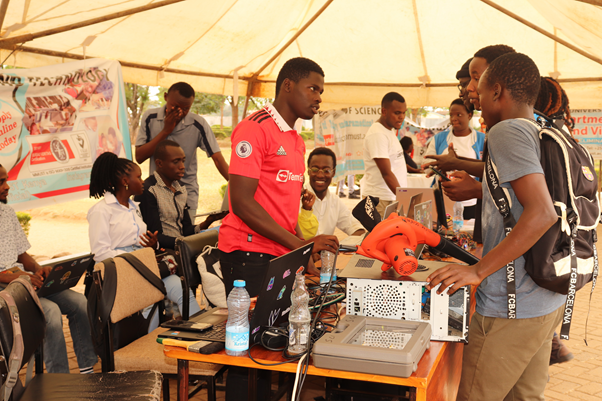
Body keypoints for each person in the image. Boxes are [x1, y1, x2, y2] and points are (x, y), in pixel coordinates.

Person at [427, 52, 566, 401]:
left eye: (480, 85)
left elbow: (541, 212)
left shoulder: (506, 131)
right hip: (544, 298)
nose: (473, 93)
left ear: (498, 91)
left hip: (510, 304)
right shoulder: (541, 126)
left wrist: (478, 271)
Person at [218, 56, 339, 401]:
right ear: (287, 85)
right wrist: (301, 246)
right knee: (248, 352)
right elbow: (241, 201)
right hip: (247, 254)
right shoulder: (254, 128)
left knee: (272, 346)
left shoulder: (296, 140)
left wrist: (300, 247)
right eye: (312, 88)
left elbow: (278, 206)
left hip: (277, 253)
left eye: (321, 91)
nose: (318, 97)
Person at [0, 164, 97, 374]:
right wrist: (19, 279)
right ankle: (58, 379)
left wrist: (38, 268)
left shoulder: (7, 212)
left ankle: (87, 368)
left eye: (6, 180)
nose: (7, 186)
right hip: (5, 290)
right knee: (50, 313)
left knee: (80, 303)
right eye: (1, 182)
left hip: (24, 282)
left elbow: (21, 254)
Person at [87, 152, 201, 330]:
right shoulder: (101, 211)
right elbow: (100, 253)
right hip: (121, 272)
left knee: (180, 288)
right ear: (125, 181)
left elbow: (141, 242)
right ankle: (147, 342)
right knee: (150, 298)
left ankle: (202, 328)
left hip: (144, 266)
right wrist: (136, 258)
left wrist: (152, 244)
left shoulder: (133, 208)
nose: (142, 181)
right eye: (138, 177)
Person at [135, 82, 229, 219]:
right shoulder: (150, 118)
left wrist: (236, 185)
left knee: (186, 236)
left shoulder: (198, 124)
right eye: (175, 106)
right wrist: (166, 130)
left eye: (186, 108)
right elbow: (139, 156)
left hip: (186, 193)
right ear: (166, 97)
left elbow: (218, 159)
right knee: (159, 235)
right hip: (157, 192)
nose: (180, 111)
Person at [136, 140, 223, 250]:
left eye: (183, 161)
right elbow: (155, 236)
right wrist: (187, 243)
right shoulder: (149, 190)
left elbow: (186, 229)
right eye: (176, 161)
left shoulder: (180, 188)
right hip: (166, 251)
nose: (182, 166)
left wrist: (208, 222)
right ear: (159, 163)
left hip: (182, 247)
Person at [424, 98, 485, 219]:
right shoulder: (439, 139)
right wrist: (440, 168)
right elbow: (427, 165)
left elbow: (487, 168)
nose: (454, 119)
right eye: (451, 115)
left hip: (472, 200)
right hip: (444, 199)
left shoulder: (481, 139)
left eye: (459, 114)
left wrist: (456, 163)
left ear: (469, 115)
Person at [298, 147, 365, 239]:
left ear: (333, 173)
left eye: (326, 171)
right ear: (308, 171)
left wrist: (341, 246)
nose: (320, 175)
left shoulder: (335, 201)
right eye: (315, 169)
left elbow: (357, 230)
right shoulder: (297, 198)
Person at [360, 92, 408, 218]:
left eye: (404, 112)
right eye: (397, 113)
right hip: (380, 200)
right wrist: (404, 198)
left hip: (389, 198)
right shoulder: (378, 134)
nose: (402, 117)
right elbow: (386, 173)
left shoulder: (388, 131)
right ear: (384, 111)